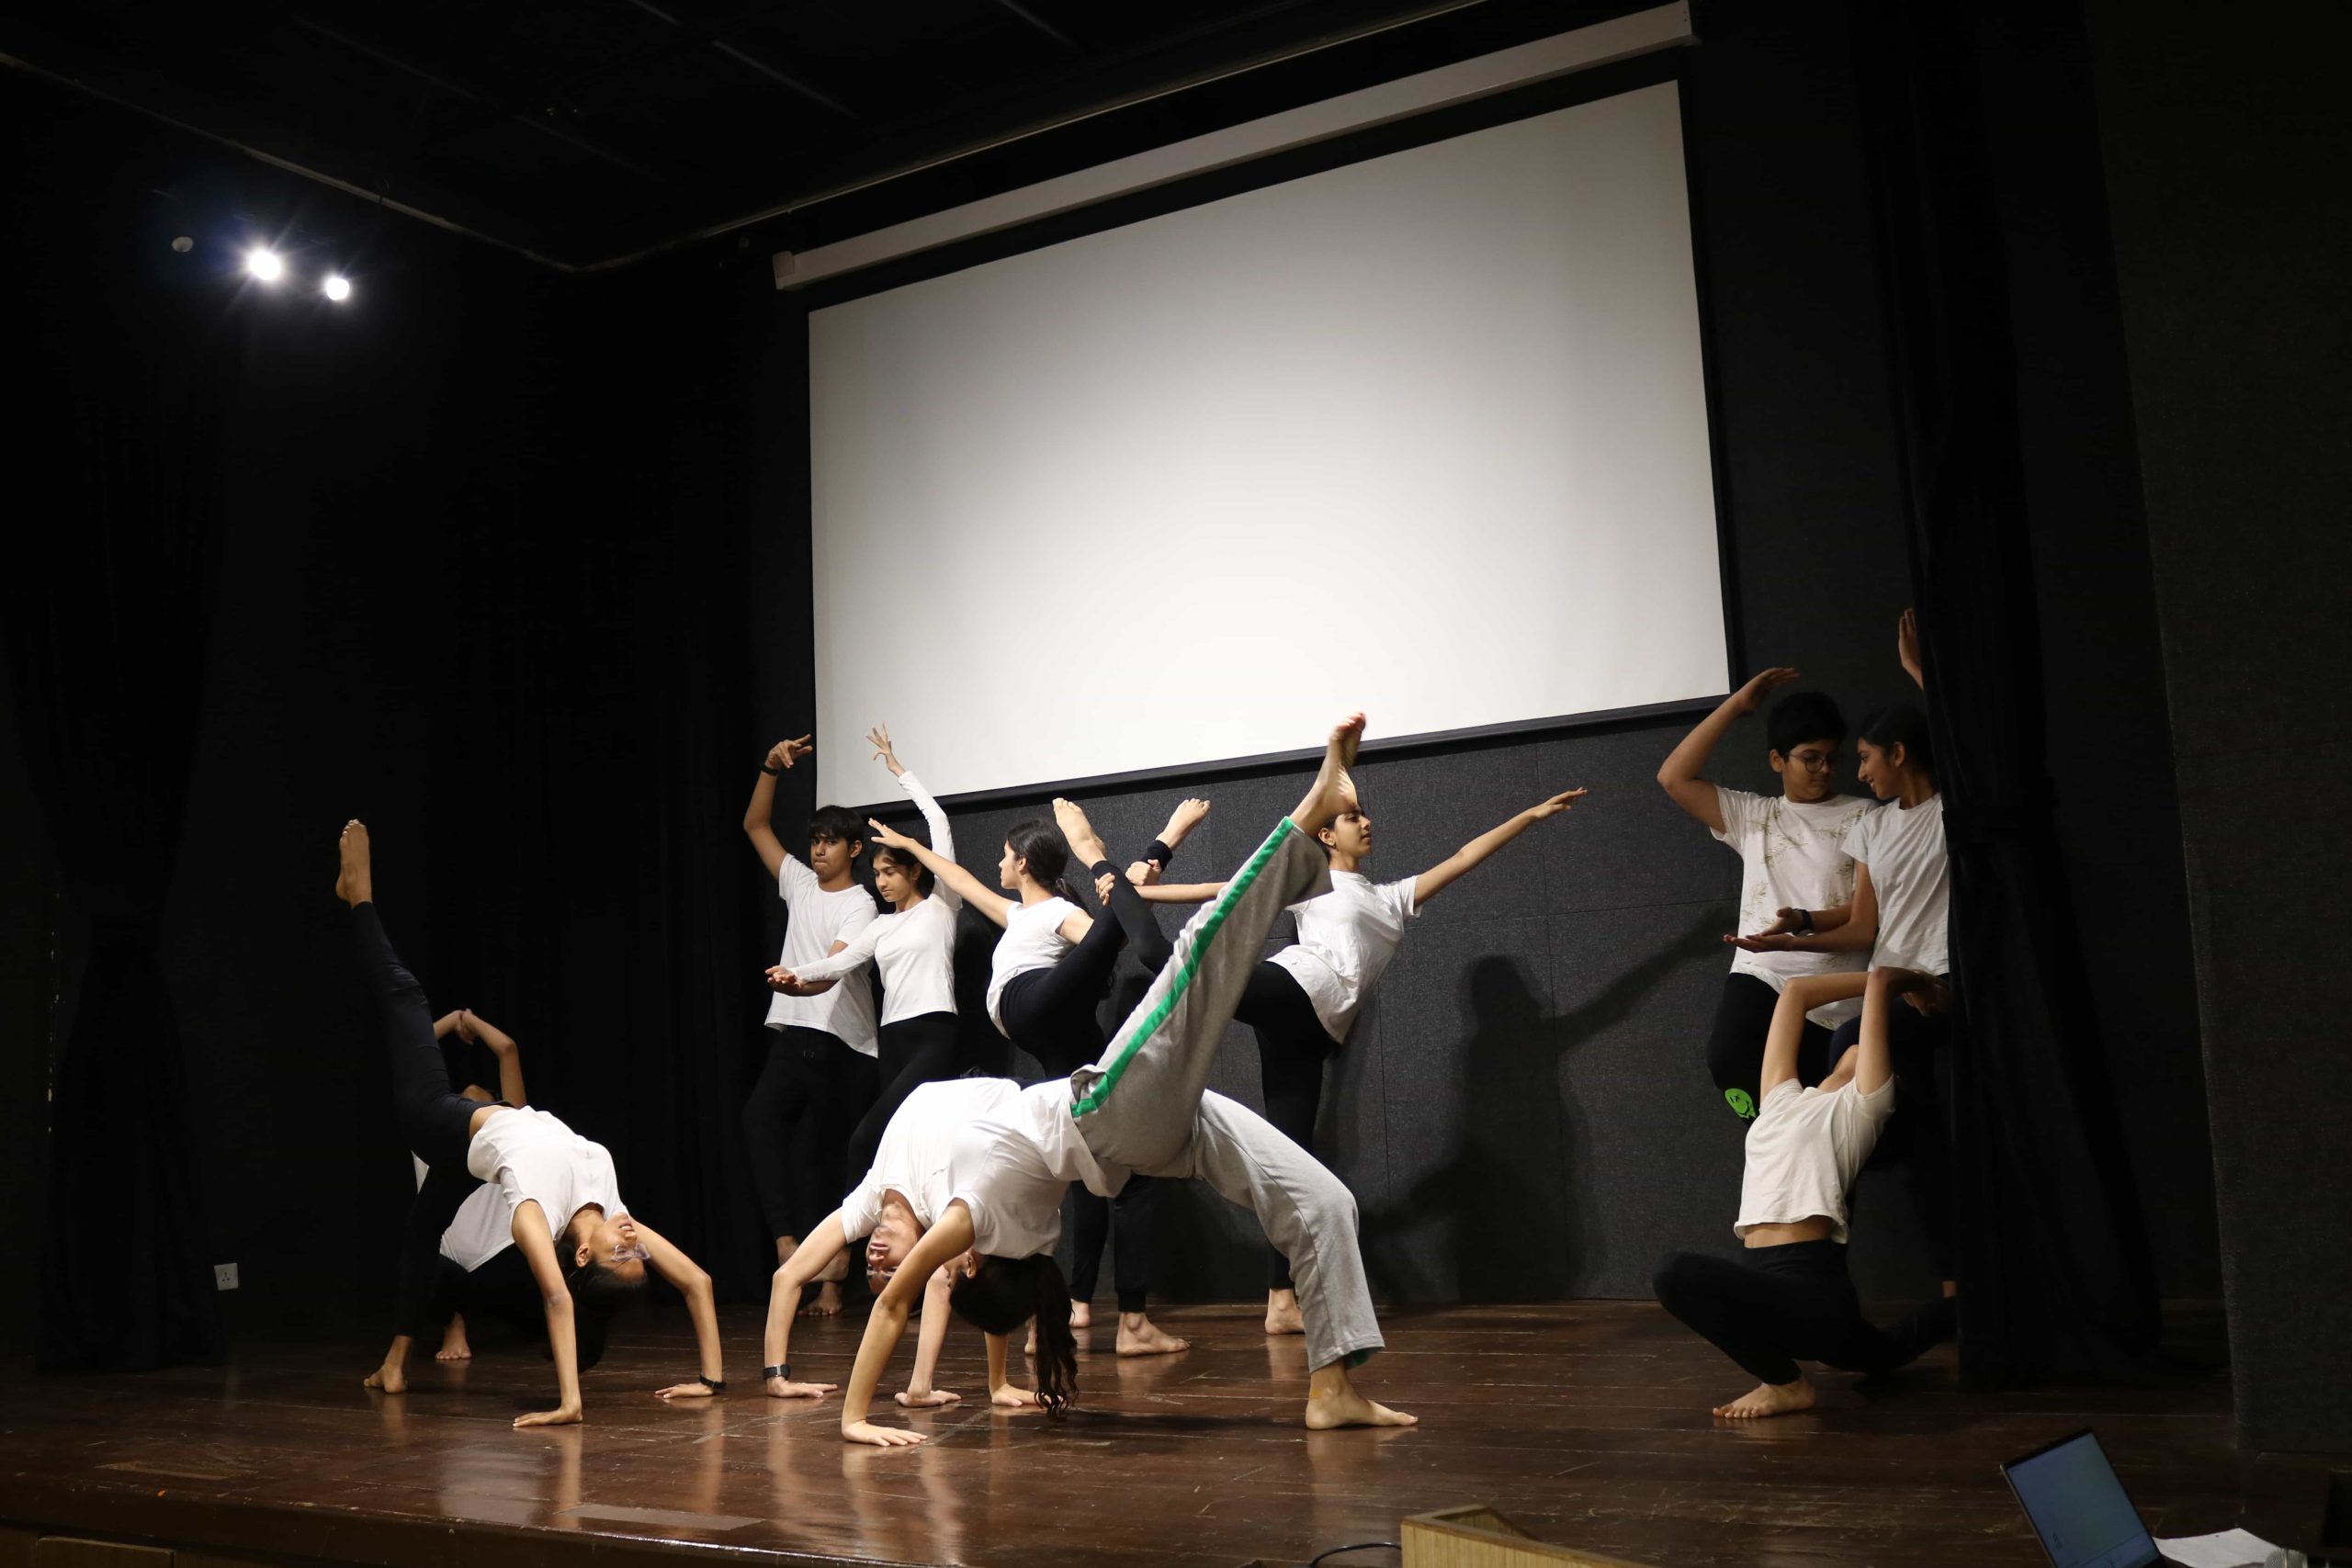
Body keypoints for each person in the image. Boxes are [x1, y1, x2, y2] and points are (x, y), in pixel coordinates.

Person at [764, 716, 1585, 1445]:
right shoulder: (972, 1222)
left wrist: (953, 1388)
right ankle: (1308, 805)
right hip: (1105, 1113)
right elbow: (898, 1300)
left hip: (1145, 1134)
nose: (919, 1262)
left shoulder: (1000, 1245)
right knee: (1193, 958)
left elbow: (933, 1302)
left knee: (1324, 1198)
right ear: (972, 1266)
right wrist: (853, 1417)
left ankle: (1332, 1387)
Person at [1135, 775, 1589, 1335]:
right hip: (1295, 987)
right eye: (1354, 818)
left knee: (1290, 1161)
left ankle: (1281, 1299)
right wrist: (1140, 896)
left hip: (1313, 1031)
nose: (1366, 822)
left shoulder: (1392, 898)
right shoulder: (1312, 880)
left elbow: (1467, 854)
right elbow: (1224, 888)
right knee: (1189, 971)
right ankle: (1128, 916)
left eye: (1365, 816)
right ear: (1326, 833)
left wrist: (1530, 815)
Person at [336, 821, 727, 1426]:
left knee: (407, 996)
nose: (635, 1239)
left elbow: (554, 1296)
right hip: (466, 1148)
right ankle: (394, 1363)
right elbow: (698, 1281)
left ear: (582, 1258)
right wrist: (711, 1379)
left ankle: (357, 896)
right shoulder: (609, 1197)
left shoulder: (534, 1214)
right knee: (422, 1231)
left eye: (621, 1251)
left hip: (438, 1120)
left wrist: (570, 1402)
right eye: (639, 1251)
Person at [866, 793, 1210, 1357]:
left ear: (1023, 863)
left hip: (1045, 1015)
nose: (998, 866)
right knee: (1087, 1166)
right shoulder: (1015, 914)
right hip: (1045, 1032)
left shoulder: (1055, 913)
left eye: (1004, 856)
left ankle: (1125, 1319)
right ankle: (1080, 1303)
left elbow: (1109, 935)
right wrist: (909, 846)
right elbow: (955, 874)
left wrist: (1150, 863)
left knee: (1112, 1167)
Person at [1728, 613, 1955, 1286]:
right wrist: (1795, 924)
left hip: (1933, 983)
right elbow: (1861, 928)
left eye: (1864, 757)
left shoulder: (1949, 810)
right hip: (1888, 980)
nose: (1854, 770)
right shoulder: (1875, 827)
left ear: (1900, 755)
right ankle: (1942, 1267)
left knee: (1848, 1052)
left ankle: (1852, 1227)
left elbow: (1966, 743)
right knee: (1911, 1129)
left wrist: (1920, 675)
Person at [1652, 965, 1957, 1418]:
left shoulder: (1862, 1108)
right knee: (1886, 1352)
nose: (1856, 1046)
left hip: (1813, 1297)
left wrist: (1910, 981)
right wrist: (1902, 979)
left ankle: (1786, 1385)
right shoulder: (1781, 1099)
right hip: (1776, 1299)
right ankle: (1983, 1305)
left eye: (1870, 1049)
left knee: (1674, 1272)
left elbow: (1878, 986)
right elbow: (1794, 993)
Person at [1657, 667, 1873, 1121]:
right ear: (1778, 760)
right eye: (1810, 758)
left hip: (1834, 991)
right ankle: (1765, 1130)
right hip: (1763, 971)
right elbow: (1673, 777)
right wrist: (1736, 705)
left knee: (1824, 1121)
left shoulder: (1864, 815)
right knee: (1729, 1059)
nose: (1824, 770)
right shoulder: (1754, 815)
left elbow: (1865, 918)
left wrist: (1804, 923)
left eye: (1832, 758)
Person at [764, 725, 964, 1187]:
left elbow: (940, 825)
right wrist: (793, 975)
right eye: (876, 872)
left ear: (916, 870)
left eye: (891, 870)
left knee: (866, 1141)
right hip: (891, 1039)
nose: (882, 881)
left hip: (932, 1033)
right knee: (896, 1150)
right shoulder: (881, 924)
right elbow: (839, 963)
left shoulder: (942, 906)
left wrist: (900, 771)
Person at [741, 730, 881, 1316]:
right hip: (795, 1034)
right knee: (759, 1124)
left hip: (841, 1044)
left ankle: (833, 1276)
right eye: (815, 841)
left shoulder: (862, 904)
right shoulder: (799, 884)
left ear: (853, 849)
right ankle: (787, 1243)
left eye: (830, 842)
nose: (818, 850)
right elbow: (755, 827)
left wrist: (801, 980)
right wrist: (771, 769)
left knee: (829, 1158)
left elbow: (837, 968)